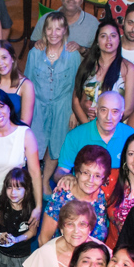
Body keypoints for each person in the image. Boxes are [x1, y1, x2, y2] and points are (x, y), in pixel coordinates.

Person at [0, 88, 43, 254]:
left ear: (9, 108)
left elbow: (35, 174)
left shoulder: (25, 134)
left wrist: (38, 207)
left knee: (13, 243)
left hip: (14, 200)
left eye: (0, 106)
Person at [25, 12, 81, 188]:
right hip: (38, 106)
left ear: (65, 30)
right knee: (35, 143)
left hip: (62, 106)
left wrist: (74, 112)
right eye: (49, 28)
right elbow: (26, 82)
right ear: (44, 30)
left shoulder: (73, 55)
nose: (54, 33)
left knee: (56, 144)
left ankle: (44, 180)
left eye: (58, 28)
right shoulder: (35, 53)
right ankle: (33, 179)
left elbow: (76, 85)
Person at [56, 90, 134, 178]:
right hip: (85, 189)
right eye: (103, 110)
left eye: (115, 111)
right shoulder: (75, 136)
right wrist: (68, 178)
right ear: (96, 110)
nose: (108, 117)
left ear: (121, 113)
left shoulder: (132, 137)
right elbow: (60, 172)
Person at [40, 144, 110, 244]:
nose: (91, 180)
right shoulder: (61, 197)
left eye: (97, 175)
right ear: (77, 172)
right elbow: (43, 239)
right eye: (86, 173)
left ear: (104, 179)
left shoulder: (101, 197)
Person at [73, 21, 134, 122]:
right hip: (86, 127)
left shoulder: (128, 69)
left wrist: (106, 126)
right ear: (97, 41)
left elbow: (128, 109)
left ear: (119, 40)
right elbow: (76, 99)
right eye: (103, 36)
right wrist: (88, 128)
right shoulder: (88, 64)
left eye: (113, 35)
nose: (109, 40)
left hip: (112, 129)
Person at [30, 0, 100, 53]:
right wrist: (37, 44)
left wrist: (81, 49)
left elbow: (99, 53)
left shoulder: (93, 24)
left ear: (82, 0)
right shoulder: (46, 19)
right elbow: (31, 45)